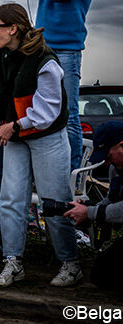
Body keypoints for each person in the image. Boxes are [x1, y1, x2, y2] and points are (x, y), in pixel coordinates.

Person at [0, 3, 80, 287]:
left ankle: (70, 262)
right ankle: (13, 261)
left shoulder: (44, 58)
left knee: (54, 200)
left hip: (47, 135)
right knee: (10, 199)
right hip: (16, 135)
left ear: (13, 28)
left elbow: (48, 111)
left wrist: (15, 125)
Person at [20, 0, 97, 170]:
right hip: (39, 48)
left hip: (67, 50)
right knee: (33, 106)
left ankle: (71, 173)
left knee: (69, 114)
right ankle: (41, 167)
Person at [64, 122, 123, 292]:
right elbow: (112, 200)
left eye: (109, 156)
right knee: (101, 273)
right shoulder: (116, 169)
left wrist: (90, 212)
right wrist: (86, 208)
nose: (106, 163)